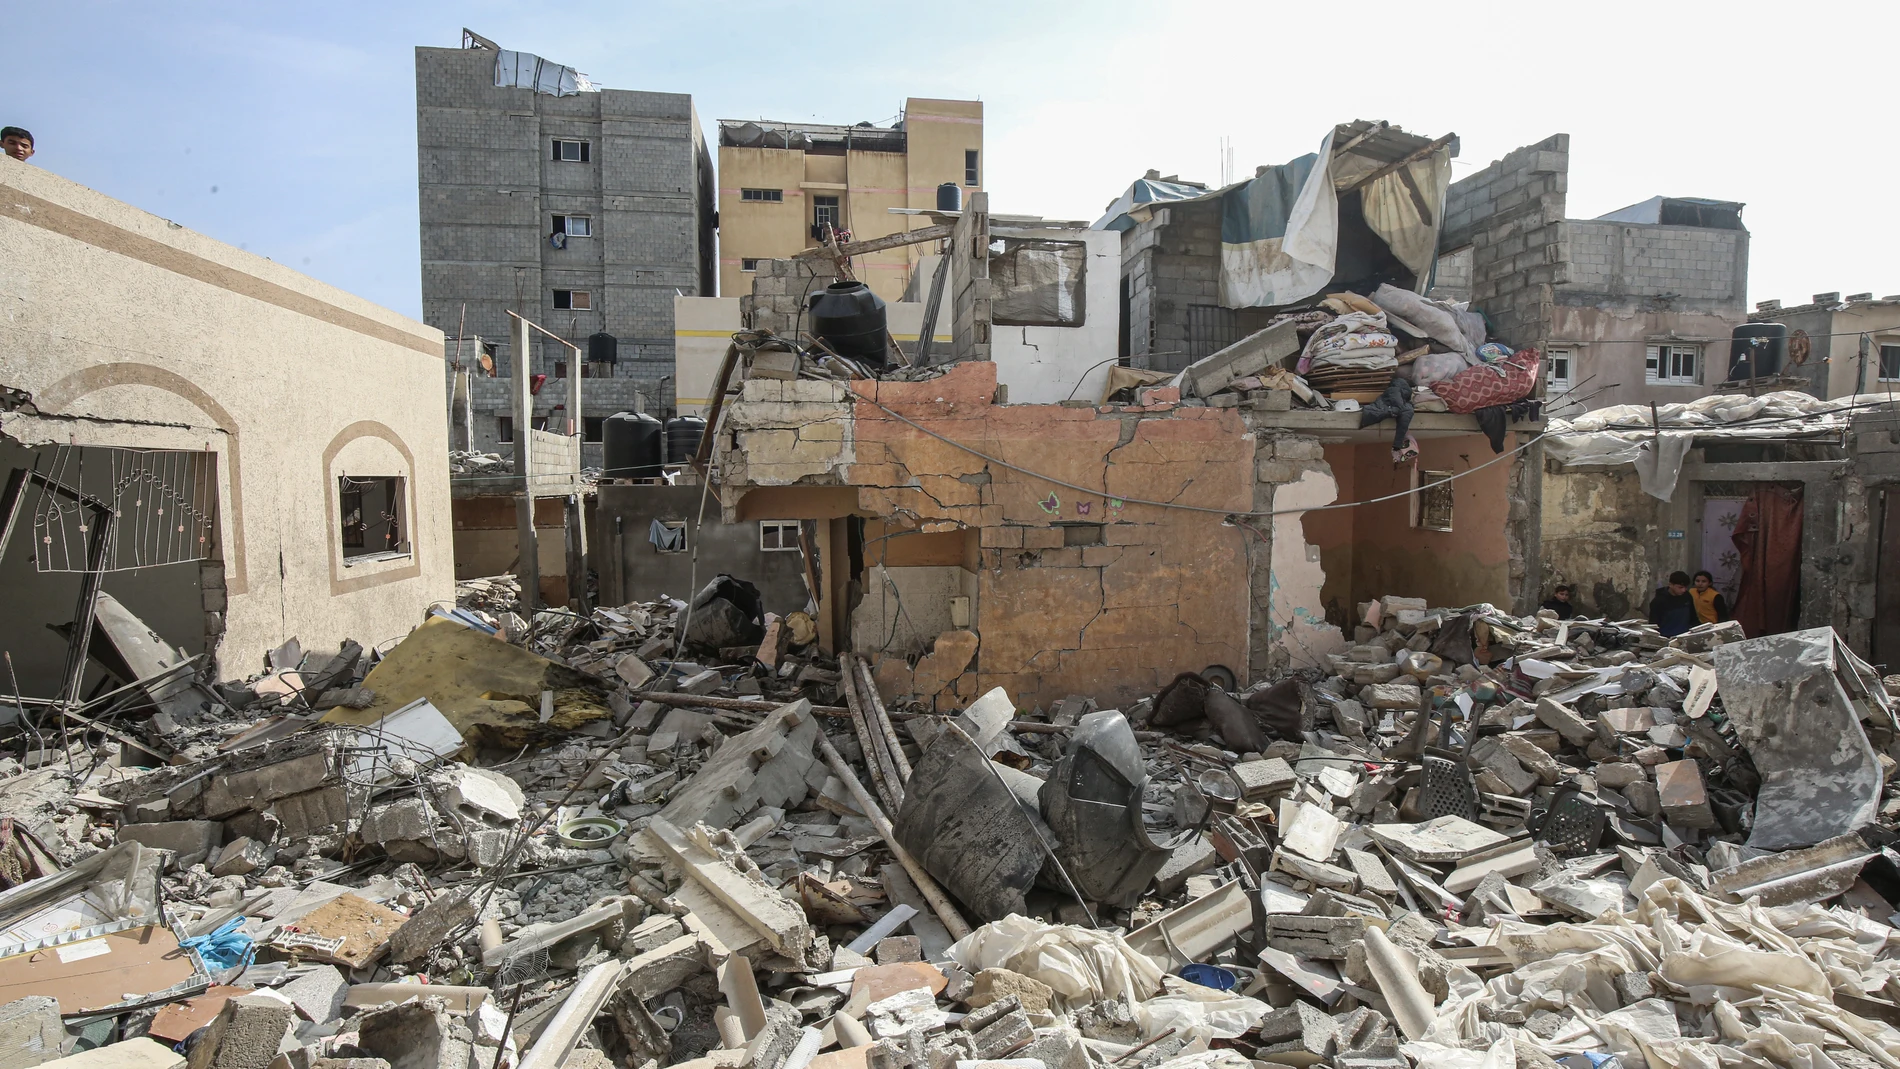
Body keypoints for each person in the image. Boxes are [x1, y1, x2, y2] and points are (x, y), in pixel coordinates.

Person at [1649, 570, 1697, 637]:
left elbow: (1693, 618)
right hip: (1666, 638)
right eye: (1680, 587)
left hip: (1684, 636)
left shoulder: (1687, 596)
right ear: (1671, 585)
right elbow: (1653, 625)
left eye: (1686, 587)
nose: (1683, 590)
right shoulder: (1659, 601)